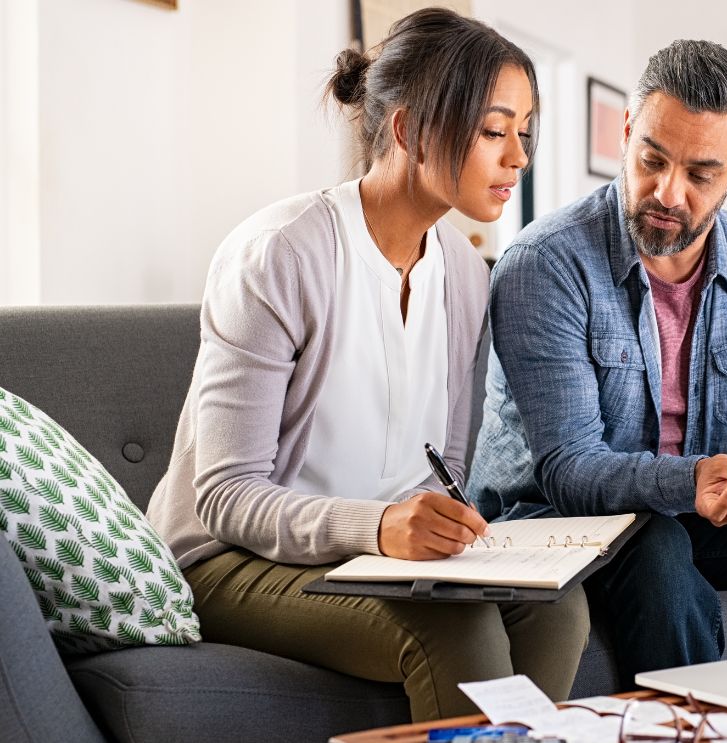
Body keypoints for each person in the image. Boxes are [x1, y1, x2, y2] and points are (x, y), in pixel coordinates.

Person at [146, 8, 588, 721]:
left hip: (373, 558)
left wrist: (450, 531)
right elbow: (224, 496)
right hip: (229, 560)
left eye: (524, 133)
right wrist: (380, 526)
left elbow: (440, 463)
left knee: (557, 607)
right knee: (457, 624)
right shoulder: (280, 253)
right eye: (493, 130)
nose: (517, 158)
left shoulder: (467, 274)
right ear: (410, 130)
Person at [467, 39, 727, 687]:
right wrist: (692, 478)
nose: (667, 192)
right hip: (552, 521)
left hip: (695, 509)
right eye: (651, 160)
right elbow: (568, 469)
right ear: (627, 134)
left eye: (699, 174)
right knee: (658, 546)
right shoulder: (546, 264)